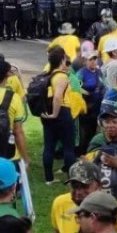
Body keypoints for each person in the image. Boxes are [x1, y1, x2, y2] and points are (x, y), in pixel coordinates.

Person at [40, 47, 76, 185]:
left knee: (49, 146)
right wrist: (55, 113)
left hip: (47, 112)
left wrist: (49, 114)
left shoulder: (46, 75)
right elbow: (57, 97)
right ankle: (72, 178)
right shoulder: (61, 76)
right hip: (61, 112)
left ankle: (48, 178)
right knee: (68, 146)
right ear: (62, 60)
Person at [76, 49, 105, 155]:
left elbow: (103, 84)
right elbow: (75, 86)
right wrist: (86, 93)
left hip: (97, 106)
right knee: (85, 132)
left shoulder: (99, 71)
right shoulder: (81, 73)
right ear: (85, 61)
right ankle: (82, 152)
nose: (93, 61)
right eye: (90, 60)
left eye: (94, 59)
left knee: (94, 131)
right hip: (86, 107)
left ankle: (91, 151)